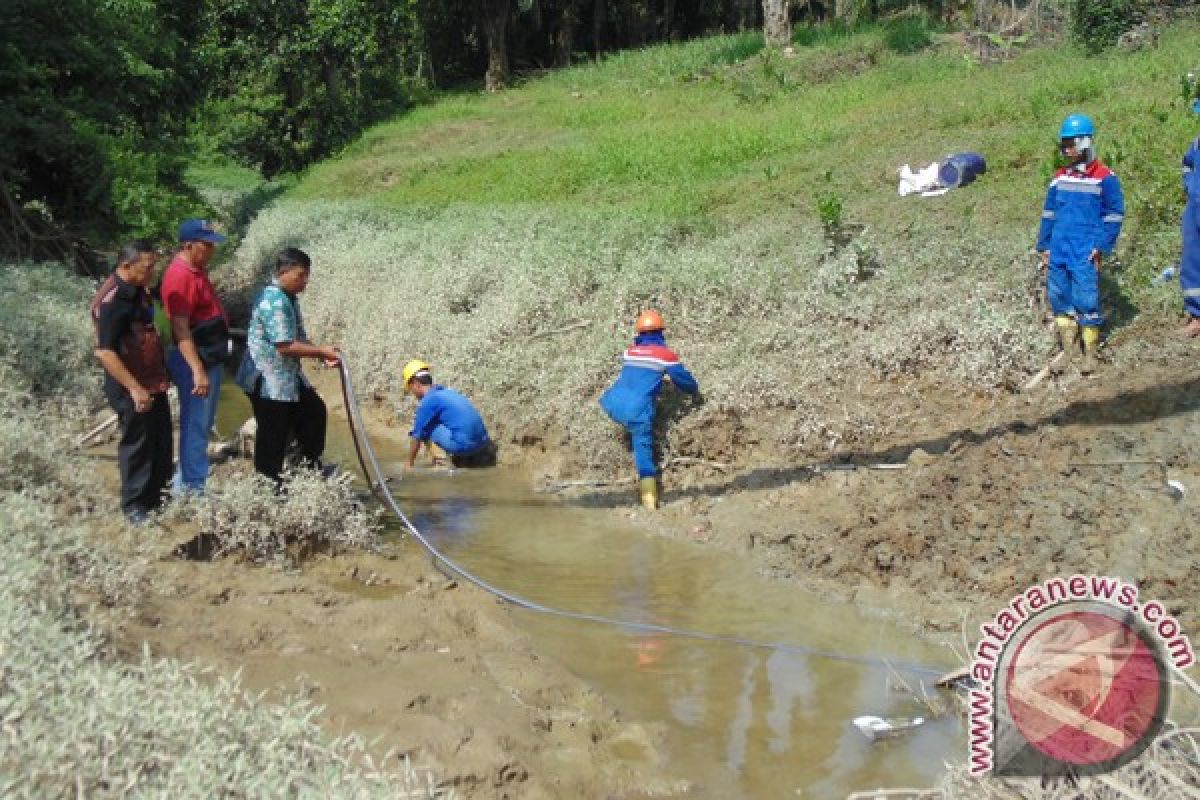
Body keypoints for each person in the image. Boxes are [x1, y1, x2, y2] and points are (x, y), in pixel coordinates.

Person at [235, 248, 341, 483]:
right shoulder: (273, 300)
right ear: (284, 272)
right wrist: (320, 351)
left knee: (314, 413)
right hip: (267, 380)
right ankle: (268, 486)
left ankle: (306, 469)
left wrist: (321, 354)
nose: (304, 282)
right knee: (273, 434)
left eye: (306, 276)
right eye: (300, 275)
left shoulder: (289, 299)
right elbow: (285, 346)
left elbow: (299, 338)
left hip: (287, 378)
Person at [1036, 113, 1125, 375]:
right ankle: (1070, 350)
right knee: (1059, 297)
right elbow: (1049, 213)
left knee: (1087, 300)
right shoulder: (1059, 178)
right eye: (1063, 144)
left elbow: (1114, 215)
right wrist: (1044, 246)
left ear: (1085, 142)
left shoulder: (1105, 178)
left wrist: (1102, 246)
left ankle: (1091, 354)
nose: (1066, 150)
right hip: (1059, 249)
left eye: (1070, 143)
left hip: (1084, 251)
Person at [92, 241, 172, 524]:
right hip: (131, 385)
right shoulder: (112, 301)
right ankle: (135, 505)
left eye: (153, 266)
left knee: (161, 439)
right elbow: (105, 352)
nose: (152, 272)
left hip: (153, 379)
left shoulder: (139, 291)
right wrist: (135, 389)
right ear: (126, 266)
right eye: (147, 267)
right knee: (137, 443)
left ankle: (158, 496)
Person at [599, 310, 699, 510]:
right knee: (643, 452)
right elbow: (684, 382)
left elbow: (636, 375)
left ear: (639, 334)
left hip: (611, 402)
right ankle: (649, 501)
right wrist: (695, 392)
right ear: (661, 332)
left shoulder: (629, 352)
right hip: (635, 411)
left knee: (636, 422)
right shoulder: (665, 355)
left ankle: (628, 432)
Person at [161, 218, 228, 493]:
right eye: (207, 245)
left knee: (202, 422)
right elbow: (180, 328)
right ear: (189, 245)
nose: (212, 250)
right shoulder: (180, 276)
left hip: (207, 357)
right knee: (196, 424)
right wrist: (197, 370)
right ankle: (192, 487)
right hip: (194, 360)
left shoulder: (196, 269)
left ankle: (187, 481)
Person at [401, 360, 495, 468]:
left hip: (465, 446)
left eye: (410, 388)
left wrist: (409, 463)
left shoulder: (428, 401)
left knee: (426, 428)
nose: (412, 393)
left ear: (416, 384)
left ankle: (442, 463)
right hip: (482, 442)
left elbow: (417, 436)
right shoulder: (446, 392)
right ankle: (463, 458)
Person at [1180, 99, 1200, 337]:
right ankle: (1197, 316)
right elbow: (1186, 166)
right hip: (1195, 209)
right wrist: (1190, 186)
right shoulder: (1196, 144)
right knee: (1193, 261)